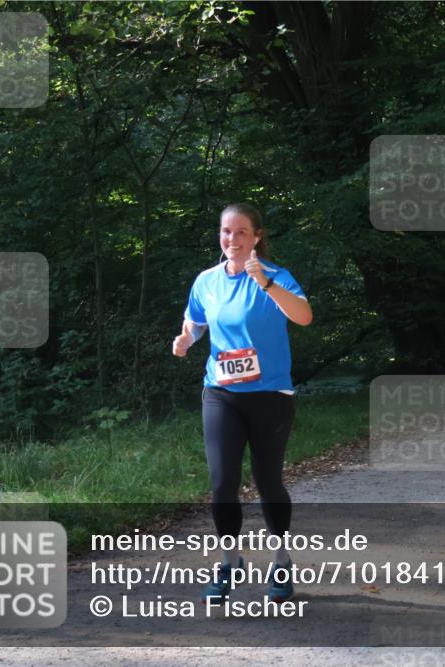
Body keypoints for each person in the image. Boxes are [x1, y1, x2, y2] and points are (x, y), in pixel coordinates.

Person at [172, 203, 313, 605]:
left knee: (268, 482)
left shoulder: (275, 277)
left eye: (240, 232)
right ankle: (229, 562)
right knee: (222, 484)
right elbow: (196, 320)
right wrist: (186, 339)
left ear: (256, 237)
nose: (231, 239)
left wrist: (266, 284)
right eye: (225, 232)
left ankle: (281, 561)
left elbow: (304, 317)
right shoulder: (207, 281)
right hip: (221, 393)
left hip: (270, 395)